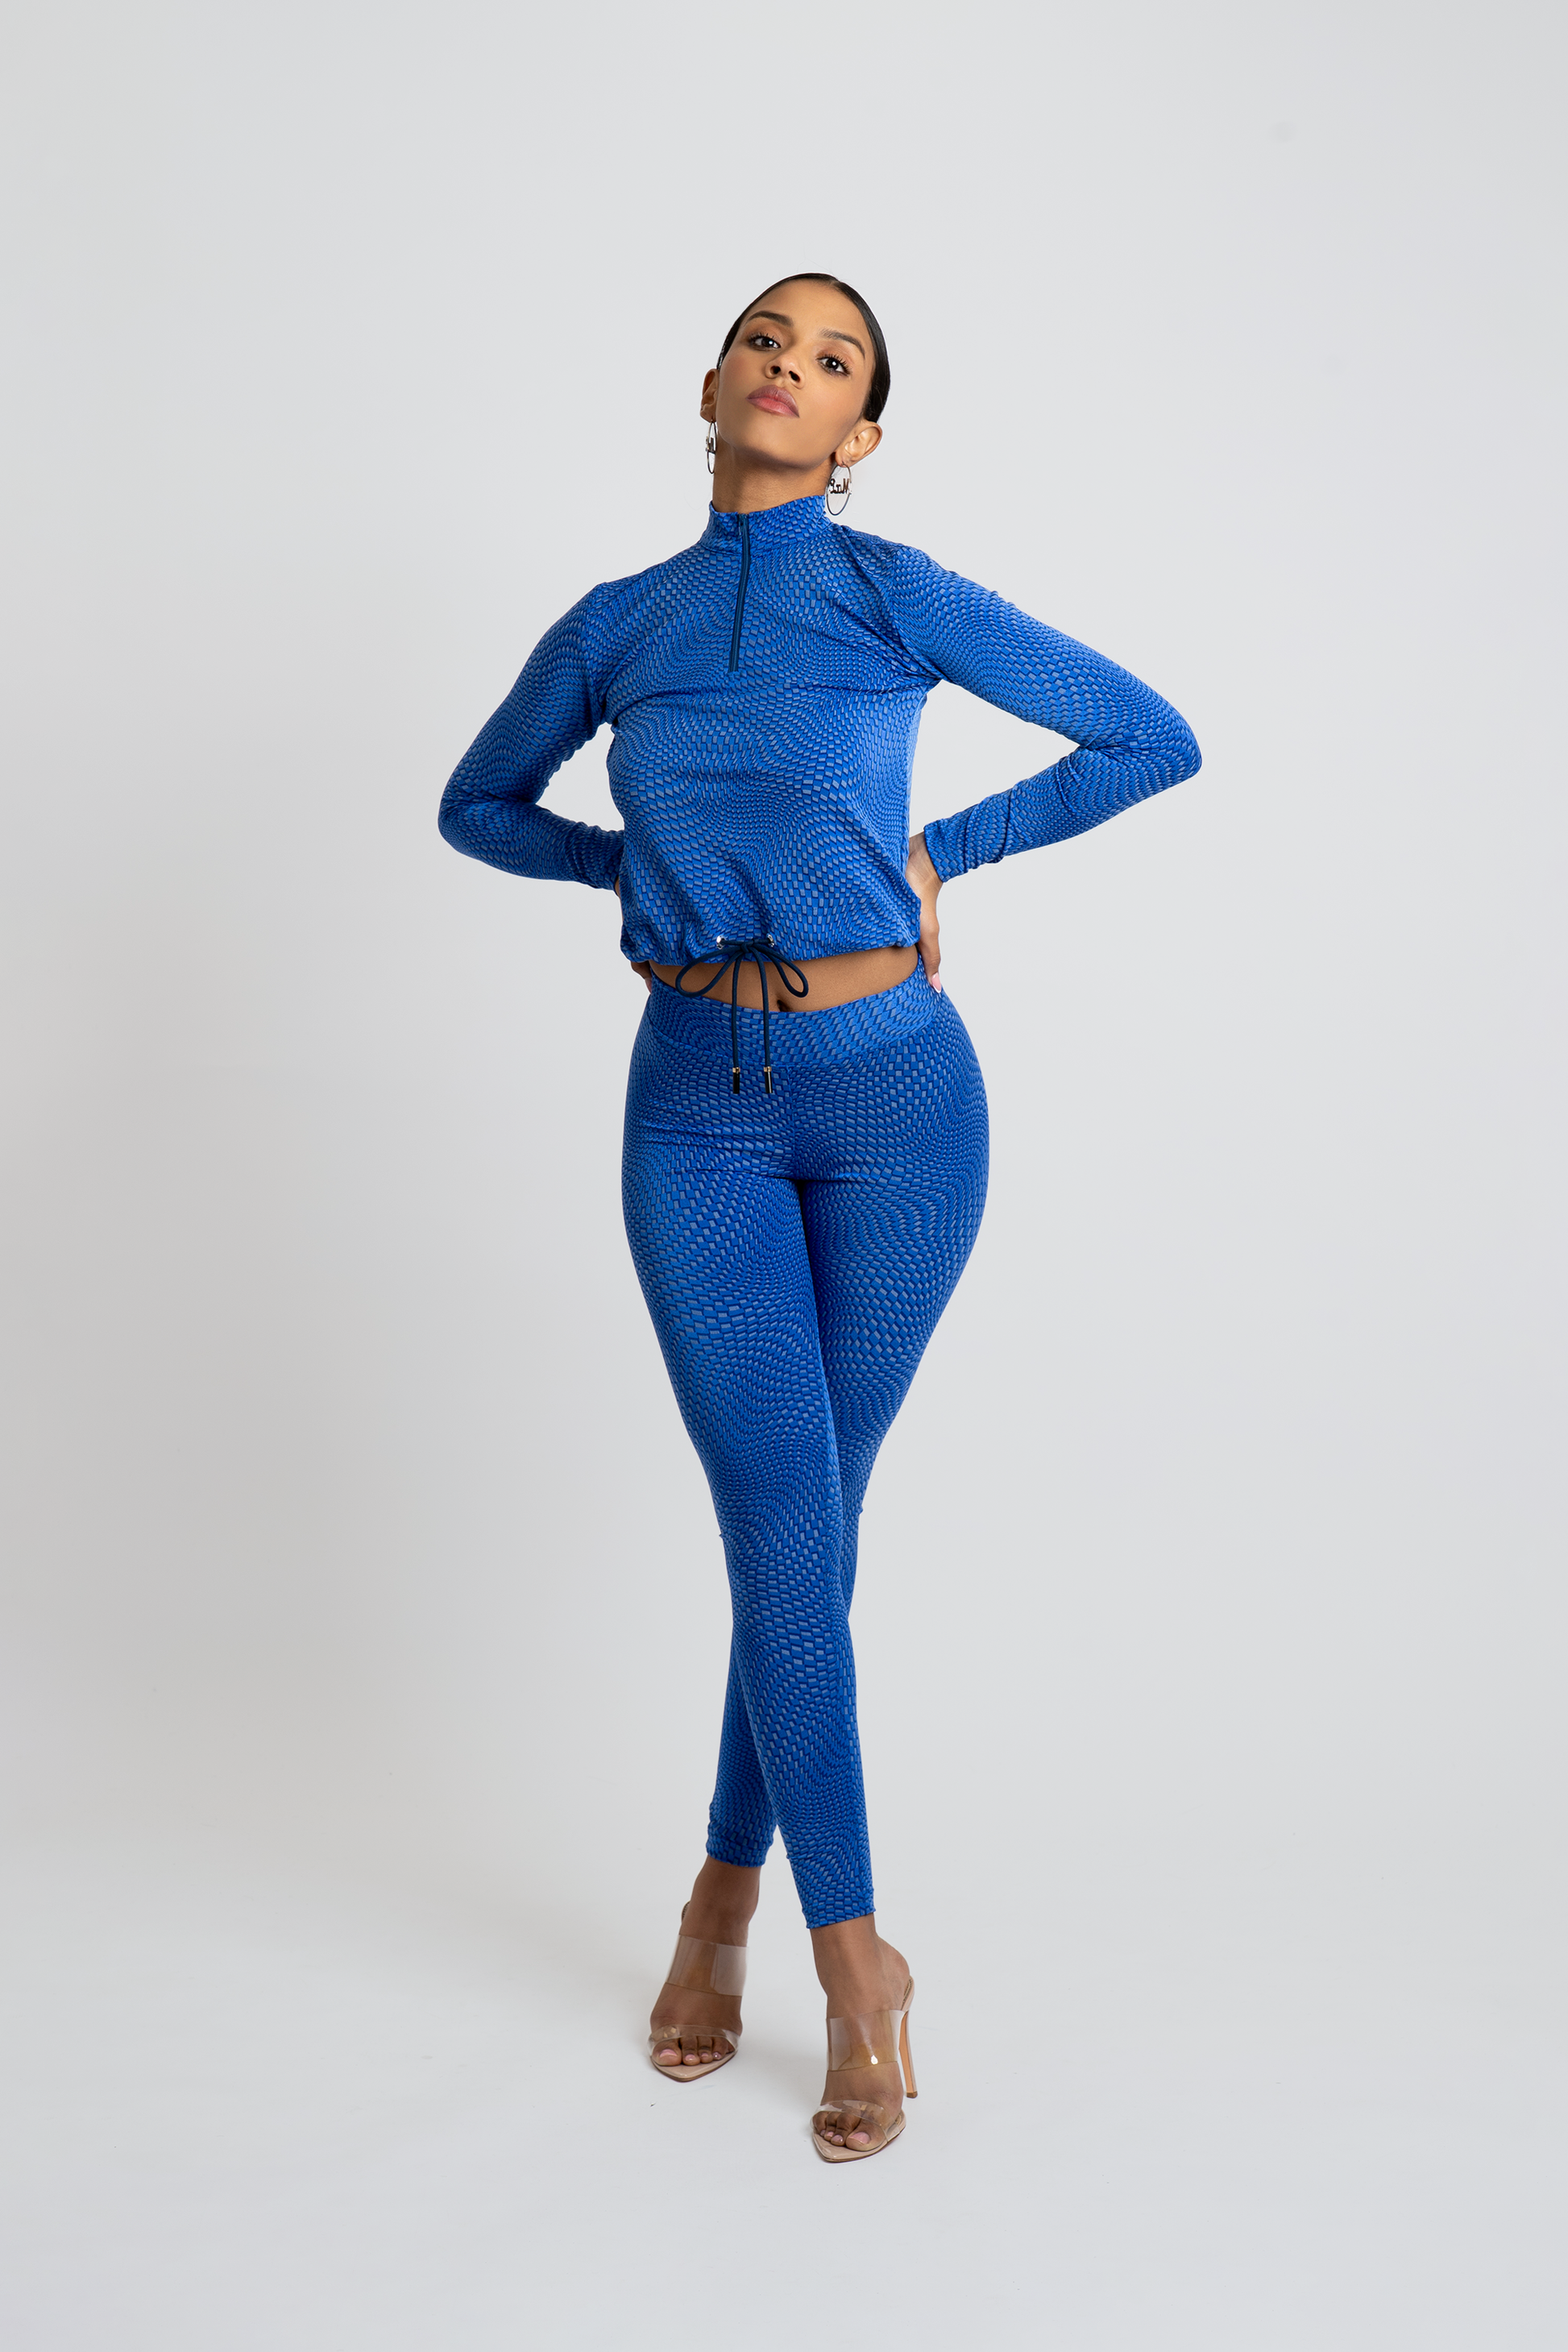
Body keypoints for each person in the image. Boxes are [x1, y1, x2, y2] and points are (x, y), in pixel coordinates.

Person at [438, 273, 1201, 2161]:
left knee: (807, 1533)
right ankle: (858, 1964)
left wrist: (948, 852)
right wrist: (632, 865)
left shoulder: (889, 590)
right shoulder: (616, 625)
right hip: (693, 1115)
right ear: (710, 383)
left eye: (832, 357)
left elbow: (1146, 735)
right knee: (787, 1522)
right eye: (764, 340)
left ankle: (721, 1902)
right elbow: (477, 806)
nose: (789, 364)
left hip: (900, 1111)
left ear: (860, 434)